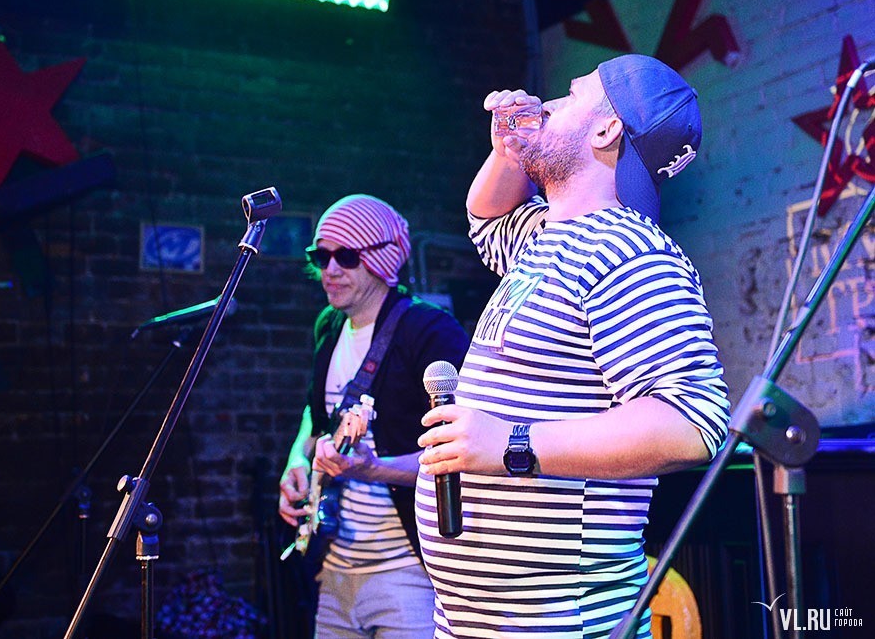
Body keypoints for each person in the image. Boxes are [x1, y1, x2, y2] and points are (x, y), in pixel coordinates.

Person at [414, 54, 731, 638]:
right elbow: (485, 216)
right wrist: (508, 149)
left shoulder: (628, 251)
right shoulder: (547, 237)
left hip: (560, 620)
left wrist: (510, 443)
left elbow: (692, 423)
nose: (548, 105)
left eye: (573, 94)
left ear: (607, 129)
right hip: (480, 621)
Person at [279, 194, 470, 638]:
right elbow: (316, 414)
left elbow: (462, 454)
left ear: (381, 259)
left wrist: (373, 469)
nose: (330, 270)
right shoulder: (329, 325)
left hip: (409, 573)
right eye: (321, 256)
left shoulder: (430, 331)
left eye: (346, 256)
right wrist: (297, 460)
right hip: (335, 564)